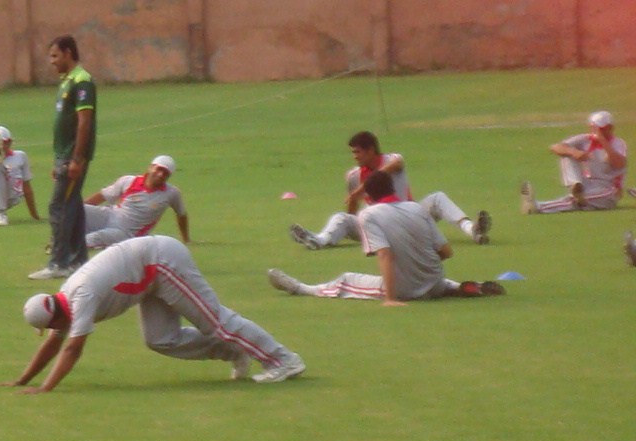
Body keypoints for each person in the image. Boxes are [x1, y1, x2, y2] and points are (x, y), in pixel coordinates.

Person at [7, 235, 303, 392]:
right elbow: (55, 342)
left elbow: (70, 348)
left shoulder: (80, 296)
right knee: (160, 339)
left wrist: (46, 388)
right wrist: (23, 380)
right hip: (147, 280)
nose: (54, 331)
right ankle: (235, 353)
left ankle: (283, 361)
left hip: (161, 262)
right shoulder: (61, 303)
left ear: (54, 316)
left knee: (216, 322)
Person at [268, 170, 505, 304]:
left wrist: (391, 298)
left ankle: (301, 289)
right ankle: (458, 287)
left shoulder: (369, 215)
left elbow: (385, 255)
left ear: (368, 195)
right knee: (431, 281)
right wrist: (418, 262)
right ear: (393, 188)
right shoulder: (417, 209)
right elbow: (447, 252)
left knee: (346, 280)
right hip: (435, 280)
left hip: (406, 290)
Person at [289, 131, 490, 249]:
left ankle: (472, 230)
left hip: (409, 218)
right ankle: (319, 240)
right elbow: (352, 214)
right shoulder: (353, 175)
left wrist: (363, 187)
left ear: (371, 150)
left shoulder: (391, 160)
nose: (355, 157)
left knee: (437, 198)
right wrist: (352, 203)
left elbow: (396, 163)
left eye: (357, 152)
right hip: (378, 226)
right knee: (340, 218)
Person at [31, 36, 95, 280]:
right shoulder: (67, 81)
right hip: (64, 156)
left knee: (59, 207)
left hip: (72, 156)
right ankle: (78, 260)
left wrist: (76, 159)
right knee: (74, 206)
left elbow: (84, 121)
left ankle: (59, 262)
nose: (52, 61)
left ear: (68, 53)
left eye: (55, 56)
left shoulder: (82, 81)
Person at [522, 111, 626, 213]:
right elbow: (555, 147)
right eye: (594, 128)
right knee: (566, 155)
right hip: (587, 183)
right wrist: (574, 152)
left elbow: (619, 164)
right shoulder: (584, 139)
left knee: (576, 201)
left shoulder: (618, 143)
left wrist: (602, 141)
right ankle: (575, 185)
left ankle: (538, 207)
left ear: (610, 128)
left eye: (601, 129)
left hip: (607, 188)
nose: (597, 131)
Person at [84, 155, 189, 249]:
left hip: (127, 233)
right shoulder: (128, 181)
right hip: (109, 215)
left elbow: (181, 214)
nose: (161, 174)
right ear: (151, 167)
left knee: (91, 238)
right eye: (159, 169)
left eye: (165, 173)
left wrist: (186, 239)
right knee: (78, 210)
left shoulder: (171, 193)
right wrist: (80, 207)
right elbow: (103, 196)